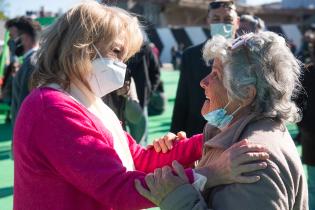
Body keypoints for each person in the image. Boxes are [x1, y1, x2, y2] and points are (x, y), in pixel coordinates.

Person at [13, 2, 269, 210]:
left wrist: (210, 141)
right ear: (82, 46)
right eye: (116, 51)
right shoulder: (52, 108)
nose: (121, 64)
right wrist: (210, 173)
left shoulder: (84, 100)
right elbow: (119, 189)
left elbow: (138, 159)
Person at [136, 32, 308, 210]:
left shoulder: (253, 161)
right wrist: (190, 166)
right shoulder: (241, 134)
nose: (203, 82)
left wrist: (178, 197)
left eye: (216, 75)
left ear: (247, 93)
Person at [170, 0, 239, 137]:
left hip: (236, 131)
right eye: (216, 19)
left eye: (227, 19)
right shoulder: (191, 55)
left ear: (237, 22)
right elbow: (183, 98)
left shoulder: (248, 55)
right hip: (198, 131)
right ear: (208, 21)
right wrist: (175, 133)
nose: (222, 23)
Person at [6, 17, 41, 125]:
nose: (10, 41)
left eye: (12, 36)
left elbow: (24, 109)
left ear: (25, 37)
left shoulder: (31, 63)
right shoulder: (31, 61)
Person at [296, 30, 315, 210]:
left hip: (310, 140)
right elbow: (297, 105)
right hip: (312, 142)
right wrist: (307, 129)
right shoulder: (307, 73)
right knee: (313, 188)